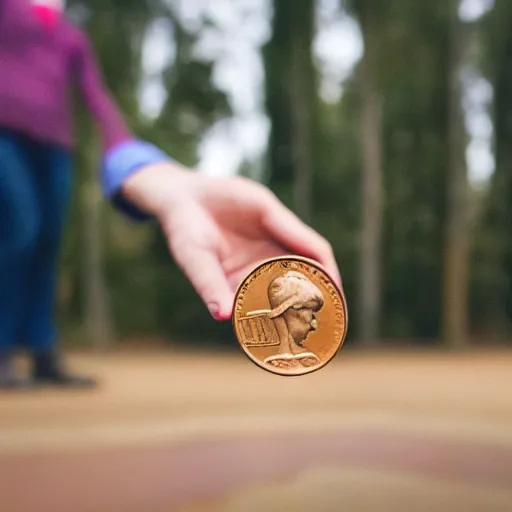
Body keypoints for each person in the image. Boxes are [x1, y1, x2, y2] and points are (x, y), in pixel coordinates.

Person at [0, 0, 341, 389]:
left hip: (54, 146)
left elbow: (98, 98)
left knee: (47, 243)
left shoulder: (69, 36)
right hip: (4, 135)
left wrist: (136, 162)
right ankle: (3, 350)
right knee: (18, 231)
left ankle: (43, 350)